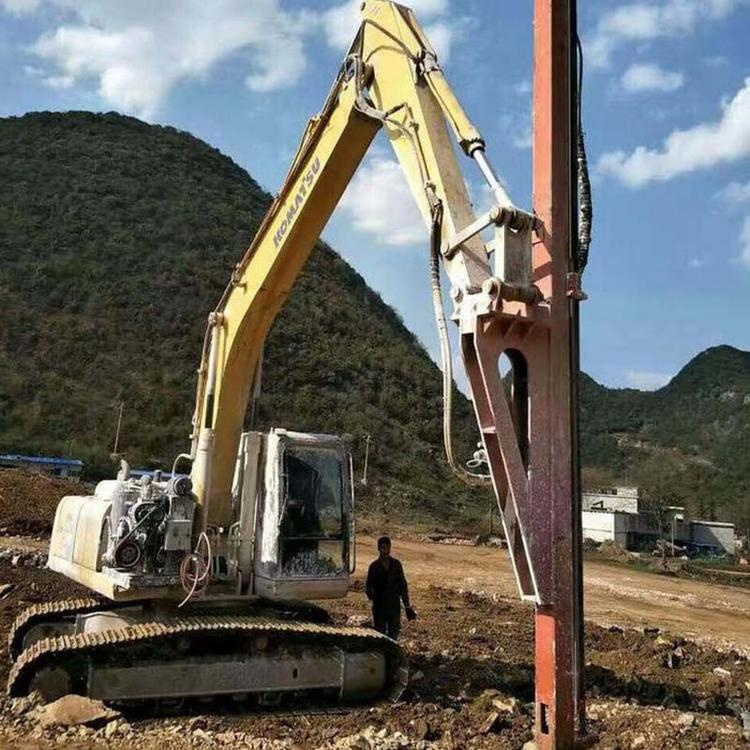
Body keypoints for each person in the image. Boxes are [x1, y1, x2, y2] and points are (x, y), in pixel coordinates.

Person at [365, 536, 416, 640]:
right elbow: (368, 587)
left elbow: (403, 585)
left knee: (393, 635)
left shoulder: (396, 565)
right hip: (380, 607)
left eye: (388, 547)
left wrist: (407, 606)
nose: (386, 550)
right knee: (380, 636)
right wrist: (372, 596)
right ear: (379, 549)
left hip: (394, 607)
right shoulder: (374, 567)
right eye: (383, 548)